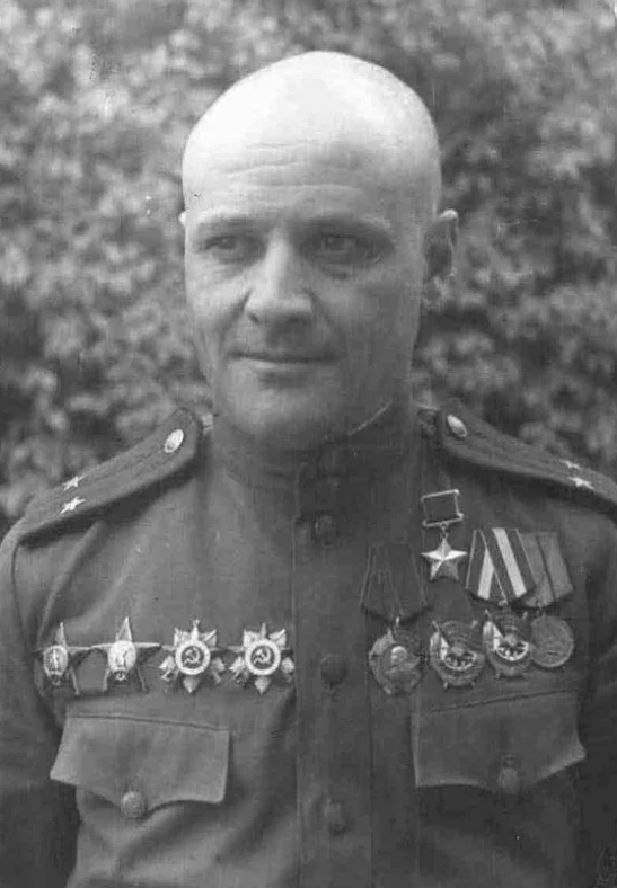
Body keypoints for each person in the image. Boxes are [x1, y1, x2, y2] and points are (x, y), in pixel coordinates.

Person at [1, 50, 617, 888]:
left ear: (436, 260)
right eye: (229, 245)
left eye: (337, 245)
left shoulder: (585, 557)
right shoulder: (56, 572)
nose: (274, 300)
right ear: (184, 255)